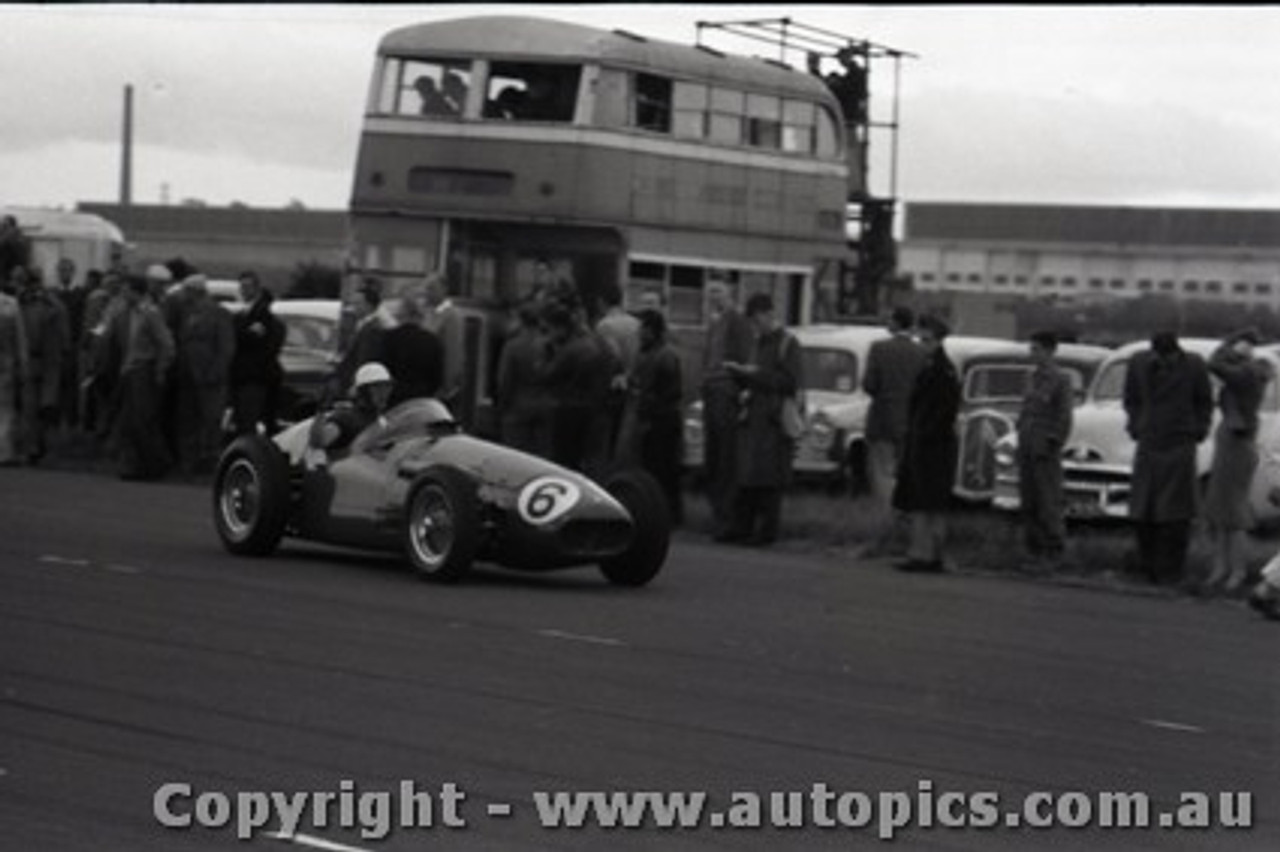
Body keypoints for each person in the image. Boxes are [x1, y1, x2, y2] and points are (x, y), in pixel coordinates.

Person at [1123, 331, 1213, 586]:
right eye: (1159, 358)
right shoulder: (1139, 363)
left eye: (1168, 358)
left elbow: (1204, 401)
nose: (1163, 363)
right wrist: (1135, 425)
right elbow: (1131, 398)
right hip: (1149, 441)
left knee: (1176, 513)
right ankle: (1147, 567)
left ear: (1176, 352)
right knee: (1144, 510)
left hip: (1180, 443)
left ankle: (1170, 571)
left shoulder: (1194, 365)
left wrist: (1198, 430)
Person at [719, 293, 802, 547]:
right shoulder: (760, 343)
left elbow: (789, 381)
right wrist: (739, 375)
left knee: (769, 479)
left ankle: (766, 532)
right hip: (753, 417)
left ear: (768, 314)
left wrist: (754, 375)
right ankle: (741, 527)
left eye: (757, 320)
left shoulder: (789, 343)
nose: (755, 327)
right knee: (747, 476)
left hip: (773, 420)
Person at [1200, 329, 1272, 595]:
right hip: (1232, 437)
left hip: (1238, 440)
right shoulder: (1250, 371)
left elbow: (1215, 363)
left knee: (1233, 509)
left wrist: (1228, 343)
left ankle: (1236, 570)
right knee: (1221, 508)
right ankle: (1223, 568)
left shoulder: (1246, 374)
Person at [892, 315, 961, 573]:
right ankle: (921, 553)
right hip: (923, 443)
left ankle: (928, 555)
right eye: (921, 339)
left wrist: (923, 435)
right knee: (920, 501)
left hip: (935, 447)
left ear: (939, 340)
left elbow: (944, 412)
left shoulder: (943, 370)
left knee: (930, 502)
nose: (923, 344)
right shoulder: (929, 367)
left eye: (928, 340)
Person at [862, 306, 925, 545]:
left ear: (897, 323)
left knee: (882, 475)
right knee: (906, 476)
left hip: (883, 420)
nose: (887, 322)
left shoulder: (879, 349)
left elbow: (869, 384)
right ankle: (906, 526)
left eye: (890, 319)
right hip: (911, 422)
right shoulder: (921, 352)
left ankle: (886, 527)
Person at [104, 275, 175, 480]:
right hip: (129, 370)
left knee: (144, 420)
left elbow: (166, 343)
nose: (123, 294)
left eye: (126, 290)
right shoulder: (126, 313)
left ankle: (155, 464)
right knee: (128, 420)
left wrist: (160, 369)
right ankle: (133, 465)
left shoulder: (150, 313)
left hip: (144, 368)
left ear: (136, 291)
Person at [1016, 330, 1075, 572]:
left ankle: (1054, 551)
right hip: (1027, 443)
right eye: (1032, 349)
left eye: (1037, 349)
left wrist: (1054, 441)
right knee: (1028, 500)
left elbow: (1064, 415)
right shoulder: (1032, 377)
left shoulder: (1060, 379)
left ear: (1050, 351)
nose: (1033, 354)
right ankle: (1033, 550)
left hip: (1044, 447)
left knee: (1048, 500)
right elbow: (1026, 409)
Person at [700, 281, 753, 538]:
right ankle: (717, 513)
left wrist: (739, 389)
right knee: (713, 455)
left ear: (730, 293)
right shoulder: (714, 323)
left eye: (718, 291)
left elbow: (744, 357)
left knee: (725, 457)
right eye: (710, 291)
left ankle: (727, 517)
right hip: (711, 389)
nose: (713, 296)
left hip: (726, 389)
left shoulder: (737, 321)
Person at [540, 301, 615, 476]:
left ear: (561, 328)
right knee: (590, 459)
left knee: (564, 461)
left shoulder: (570, 350)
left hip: (569, 409)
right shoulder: (602, 345)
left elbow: (546, 375)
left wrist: (548, 351)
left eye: (550, 329)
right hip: (595, 409)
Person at [624, 309, 684, 524]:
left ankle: (669, 514)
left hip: (662, 421)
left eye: (643, 328)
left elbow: (670, 392)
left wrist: (648, 405)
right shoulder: (647, 353)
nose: (639, 332)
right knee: (652, 468)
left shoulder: (665, 356)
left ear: (653, 330)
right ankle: (658, 511)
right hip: (652, 418)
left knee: (663, 470)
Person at [174, 274, 235, 476]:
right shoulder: (187, 313)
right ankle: (188, 462)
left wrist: (215, 372)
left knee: (211, 420)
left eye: (186, 291)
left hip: (209, 378)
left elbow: (226, 347)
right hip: (187, 376)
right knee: (188, 420)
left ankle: (209, 462)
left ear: (195, 292)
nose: (183, 295)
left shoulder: (218, 313)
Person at [16, 265, 69, 463]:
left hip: (46, 360)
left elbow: (64, 335)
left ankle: (38, 445)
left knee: (44, 407)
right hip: (35, 359)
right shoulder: (21, 304)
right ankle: (33, 447)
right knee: (32, 407)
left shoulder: (50, 306)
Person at [229, 270, 285, 435]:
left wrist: (242, 335)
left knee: (247, 421)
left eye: (247, 287)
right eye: (242, 287)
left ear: (256, 289)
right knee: (243, 420)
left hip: (253, 376)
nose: (243, 291)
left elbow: (254, 342)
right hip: (245, 375)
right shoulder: (242, 315)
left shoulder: (262, 316)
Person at [496, 299, 549, 456]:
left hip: (517, 408)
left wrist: (501, 407)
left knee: (516, 456)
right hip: (544, 406)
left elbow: (504, 380)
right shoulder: (547, 345)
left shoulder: (513, 346)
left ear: (521, 320)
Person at [595, 280, 640, 459]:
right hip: (634, 382)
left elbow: (611, 356)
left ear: (601, 301)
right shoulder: (636, 323)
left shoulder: (605, 325)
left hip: (612, 387)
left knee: (607, 435)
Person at [309, 362, 394, 456]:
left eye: (387, 386)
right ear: (363, 391)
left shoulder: (384, 421)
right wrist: (322, 408)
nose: (384, 393)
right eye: (376, 387)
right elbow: (319, 442)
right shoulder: (346, 418)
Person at [381, 295, 445, 408]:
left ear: (402, 315)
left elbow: (383, 370)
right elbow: (437, 376)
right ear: (418, 316)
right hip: (422, 399)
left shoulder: (389, 338)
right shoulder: (432, 340)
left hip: (395, 399)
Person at [0, 283, 28, 464]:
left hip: (5, 363)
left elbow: (20, 337)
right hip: (6, 362)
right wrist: (23, 363)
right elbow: (20, 338)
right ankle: (5, 451)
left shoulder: (10, 304)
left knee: (6, 407)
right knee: (5, 409)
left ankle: (5, 451)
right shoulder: (10, 304)